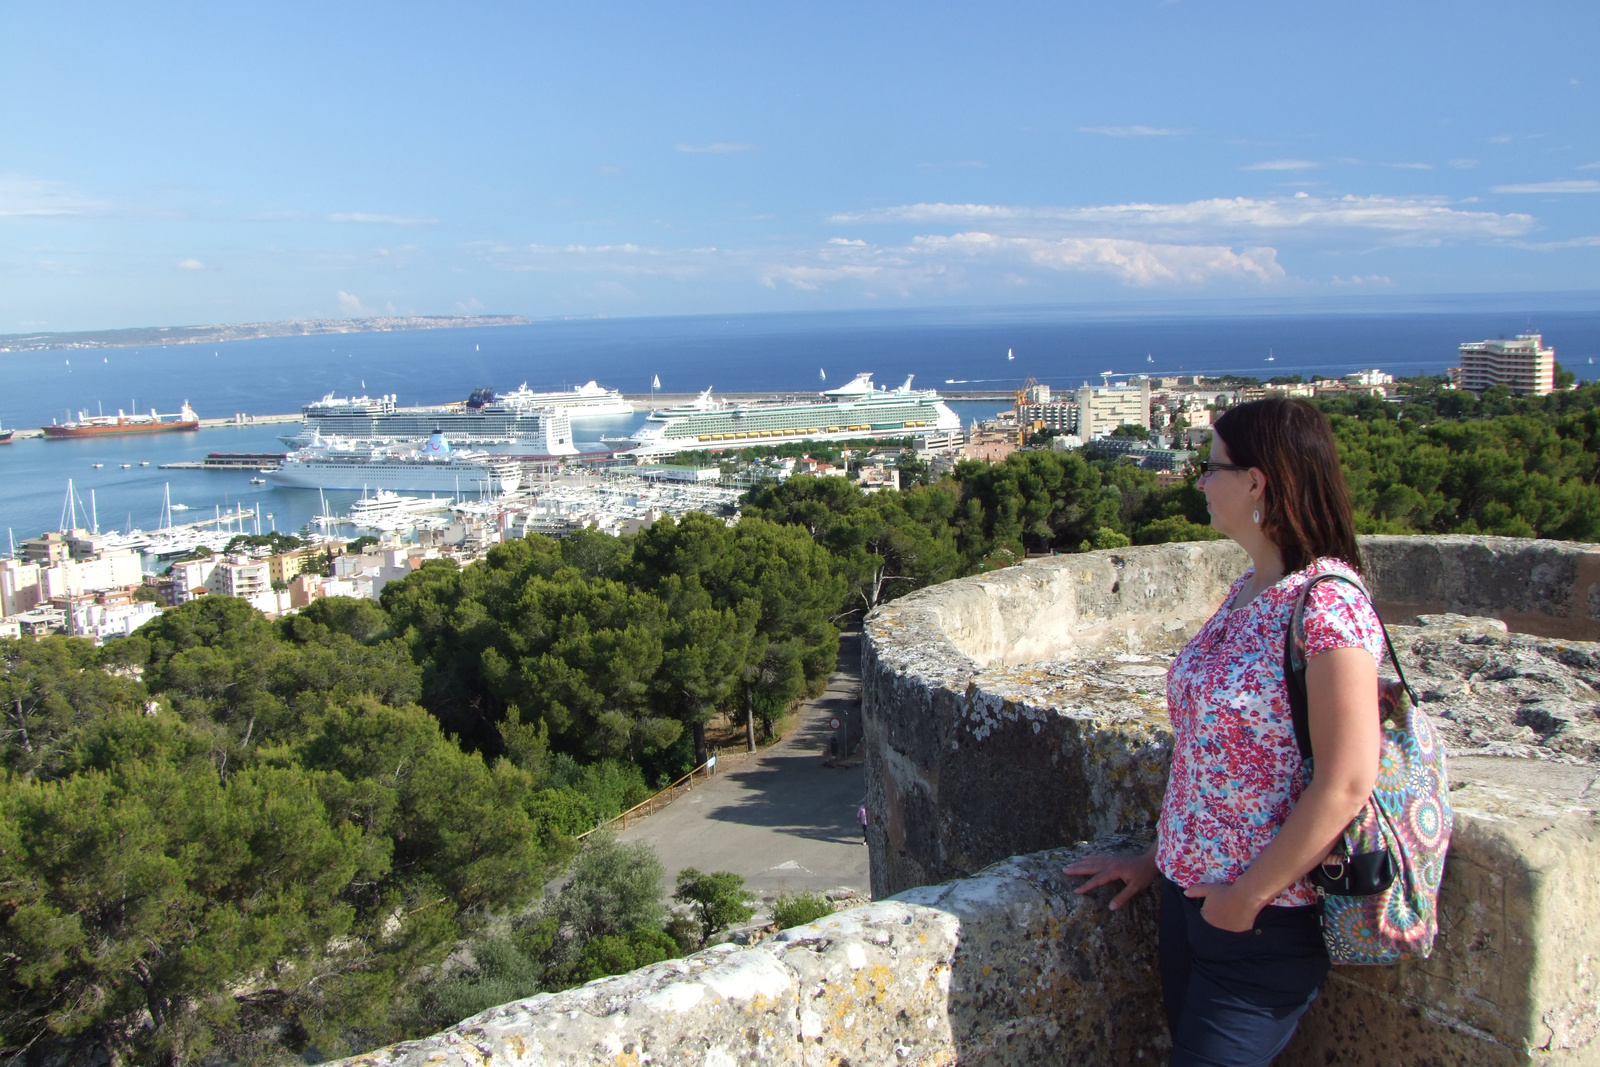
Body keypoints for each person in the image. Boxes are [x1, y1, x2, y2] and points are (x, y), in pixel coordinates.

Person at [1065, 397, 1385, 1066]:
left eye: (1211, 468)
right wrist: (1160, 858)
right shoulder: (1249, 589)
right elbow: (1211, 758)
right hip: (1195, 906)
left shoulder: (1329, 605)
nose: (1201, 482)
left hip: (1265, 920)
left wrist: (1243, 898)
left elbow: (1348, 779)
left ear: (1257, 482)